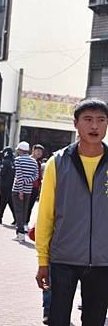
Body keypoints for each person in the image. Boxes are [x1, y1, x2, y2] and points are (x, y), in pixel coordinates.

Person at [36, 98, 108, 326]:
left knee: (95, 321)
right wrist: (43, 261)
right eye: (88, 120)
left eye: (101, 120)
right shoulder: (57, 163)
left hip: (103, 261)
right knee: (57, 320)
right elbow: (45, 214)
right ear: (76, 124)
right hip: (63, 259)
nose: (95, 126)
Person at [11, 141, 38, 242]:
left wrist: (21, 189)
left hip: (18, 189)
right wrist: (27, 181)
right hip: (28, 190)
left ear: (21, 150)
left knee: (18, 211)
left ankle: (20, 233)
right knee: (24, 211)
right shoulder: (34, 162)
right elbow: (35, 176)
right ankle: (21, 232)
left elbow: (19, 175)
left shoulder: (18, 160)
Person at [0, 146, 16, 224]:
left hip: (5, 185)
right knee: (11, 202)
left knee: (2, 202)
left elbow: (3, 173)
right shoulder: (14, 162)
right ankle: (16, 218)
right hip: (12, 185)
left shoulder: (5, 162)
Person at [26, 144, 44, 225]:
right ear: (33, 151)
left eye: (41, 151)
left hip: (35, 188)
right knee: (24, 205)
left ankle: (25, 222)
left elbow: (40, 177)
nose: (39, 153)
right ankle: (20, 221)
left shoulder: (39, 163)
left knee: (30, 206)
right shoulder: (27, 160)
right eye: (38, 151)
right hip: (27, 186)